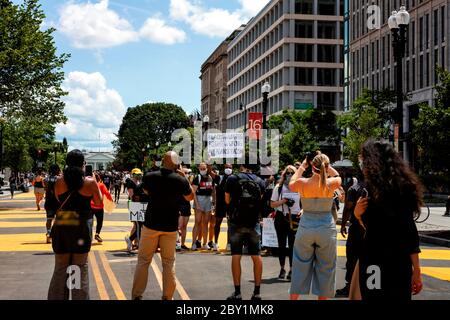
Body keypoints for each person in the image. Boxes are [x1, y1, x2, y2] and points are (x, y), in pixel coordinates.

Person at [353, 139, 423, 300]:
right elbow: (409, 233)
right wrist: (417, 270)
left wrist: (357, 215)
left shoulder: (369, 191)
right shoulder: (403, 188)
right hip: (399, 264)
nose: (361, 162)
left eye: (363, 158)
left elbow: (369, 227)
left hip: (373, 261)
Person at [131, 151, 194, 300]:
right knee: (168, 262)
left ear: (163, 162)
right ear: (176, 163)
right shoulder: (180, 180)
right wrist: (184, 177)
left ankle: (137, 295)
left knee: (144, 261)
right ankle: (167, 296)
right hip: (170, 226)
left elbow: (144, 190)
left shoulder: (150, 176)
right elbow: (190, 196)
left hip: (151, 223)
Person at [48, 150, 102, 300]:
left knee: (60, 268)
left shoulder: (59, 181)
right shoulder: (89, 183)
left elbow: (58, 201)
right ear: (83, 164)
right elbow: (99, 202)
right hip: (81, 226)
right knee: (79, 268)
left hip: (63, 223)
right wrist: (95, 183)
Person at [288, 153, 341, 300]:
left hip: (306, 226)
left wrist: (302, 166)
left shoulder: (303, 183)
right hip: (326, 227)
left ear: (312, 166)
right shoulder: (332, 183)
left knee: (299, 265)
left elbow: (291, 183)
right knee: (326, 267)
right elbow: (337, 176)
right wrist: (327, 166)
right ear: (326, 166)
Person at [225, 162, 266, 300]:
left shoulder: (233, 178)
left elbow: (227, 200)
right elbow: (260, 200)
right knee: (256, 255)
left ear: (242, 165)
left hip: (236, 222)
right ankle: (257, 292)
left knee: (236, 256)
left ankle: (237, 293)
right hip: (253, 222)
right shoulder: (260, 181)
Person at [335, 176, 366, 298]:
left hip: (357, 229)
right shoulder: (379, 187)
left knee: (352, 258)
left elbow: (348, 208)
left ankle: (350, 286)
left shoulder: (354, 189)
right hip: (373, 229)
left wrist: (343, 225)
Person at [270, 165, 302, 281]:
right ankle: (282, 268)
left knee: (293, 246)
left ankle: (292, 270)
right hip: (281, 217)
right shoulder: (278, 187)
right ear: (284, 175)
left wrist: (302, 210)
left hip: (295, 218)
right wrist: (284, 201)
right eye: (287, 173)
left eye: (292, 173)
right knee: (281, 245)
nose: (289, 175)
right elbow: (272, 204)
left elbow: (305, 203)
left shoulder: (300, 187)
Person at [191, 162, 214, 250]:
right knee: (197, 222)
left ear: (207, 168)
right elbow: (193, 192)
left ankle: (205, 243)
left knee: (206, 223)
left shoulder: (210, 177)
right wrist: (197, 204)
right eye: (201, 169)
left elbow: (213, 190)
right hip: (199, 200)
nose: (203, 170)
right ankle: (193, 243)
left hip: (208, 200)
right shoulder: (197, 178)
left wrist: (213, 202)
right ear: (199, 169)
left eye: (204, 168)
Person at [210, 163, 233, 251]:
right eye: (227, 167)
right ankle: (216, 243)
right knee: (217, 224)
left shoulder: (234, 178)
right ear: (224, 169)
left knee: (230, 225)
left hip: (230, 205)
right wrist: (209, 164)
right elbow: (210, 172)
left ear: (232, 169)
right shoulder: (220, 178)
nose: (228, 169)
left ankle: (229, 243)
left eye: (230, 167)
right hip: (220, 204)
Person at [124, 168, 147, 251]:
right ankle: (134, 242)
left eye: (139, 174)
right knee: (138, 225)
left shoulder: (139, 183)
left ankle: (131, 240)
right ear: (133, 174)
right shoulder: (130, 183)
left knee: (140, 225)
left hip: (141, 205)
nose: (138, 175)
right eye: (137, 174)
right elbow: (131, 196)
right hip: (135, 205)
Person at [91, 172, 113, 243]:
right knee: (99, 222)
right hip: (99, 207)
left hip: (90, 206)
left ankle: (89, 234)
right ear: (99, 179)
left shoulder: (89, 185)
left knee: (89, 221)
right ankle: (97, 234)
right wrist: (111, 200)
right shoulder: (101, 185)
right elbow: (107, 193)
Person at [44, 164, 61, 244]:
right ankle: (53, 233)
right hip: (57, 202)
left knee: (49, 219)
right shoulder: (59, 179)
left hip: (48, 201)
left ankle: (48, 232)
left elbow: (46, 189)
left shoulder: (46, 179)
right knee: (57, 219)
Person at [178, 166, 193, 250]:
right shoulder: (177, 181)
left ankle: (183, 244)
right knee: (179, 226)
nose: (186, 174)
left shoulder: (188, 182)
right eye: (185, 173)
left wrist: (185, 177)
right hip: (179, 205)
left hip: (186, 205)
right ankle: (177, 243)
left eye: (187, 173)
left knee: (184, 226)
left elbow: (191, 190)